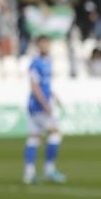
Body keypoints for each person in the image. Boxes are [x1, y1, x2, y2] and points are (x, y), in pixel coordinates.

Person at [24, 35, 64, 184]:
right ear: (38, 45)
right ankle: (49, 169)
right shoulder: (35, 63)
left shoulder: (48, 61)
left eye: (48, 43)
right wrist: (45, 104)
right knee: (55, 134)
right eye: (43, 43)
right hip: (38, 105)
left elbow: (45, 84)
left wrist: (54, 96)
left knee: (34, 137)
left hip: (39, 104)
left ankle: (29, 174)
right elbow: (34, 86)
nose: (46, 46)